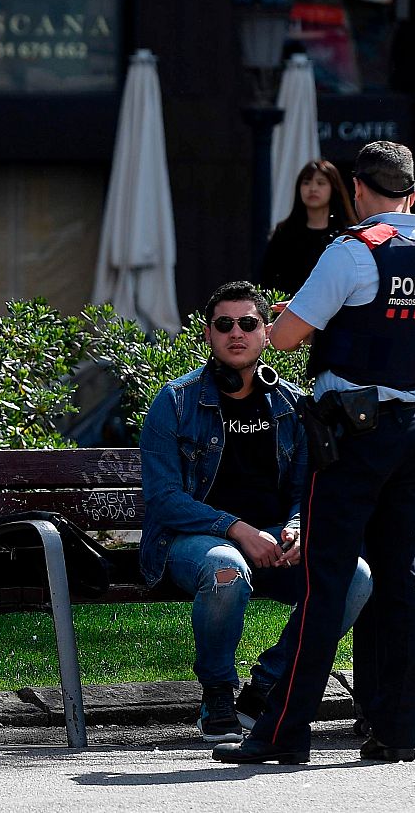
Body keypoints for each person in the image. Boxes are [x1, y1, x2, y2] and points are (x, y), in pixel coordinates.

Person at [215, 141, 415, 765]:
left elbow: (290, 335)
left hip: (350, 437)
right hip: (411, 428)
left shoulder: (353, 250)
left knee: (326, 582)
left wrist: (282, 320)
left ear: (356, 190)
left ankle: (283, 732)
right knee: (401, 581)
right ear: (413, 193)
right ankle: (397, 730)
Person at [140, 281, 372, 743]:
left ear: (267, 333)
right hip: (193, 544)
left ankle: (266, 684)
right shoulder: (176, 402)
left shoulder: (290, 404)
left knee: (354, 575)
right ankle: (218, 694)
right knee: (225, 567)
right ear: (208, 335)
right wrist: (236, 529)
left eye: (248, 323)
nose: (236, 333)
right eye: (224, 324)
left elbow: (307, 489)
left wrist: (295, 527)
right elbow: (164, 498)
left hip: (270, 542)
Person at [259, 160, 358, 296]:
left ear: (333, 188)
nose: (312, 188)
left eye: (320, 183)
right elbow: (266, 279)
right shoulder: (285, 232)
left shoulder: (346, 235)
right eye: (306, 182)